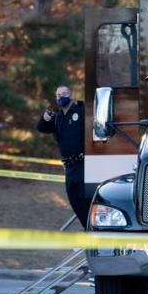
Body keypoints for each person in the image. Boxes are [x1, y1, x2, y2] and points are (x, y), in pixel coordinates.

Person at [36, 85, 87, 225]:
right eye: (58, 95)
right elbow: (41, 128)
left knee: (85, 200)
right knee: (74, 201)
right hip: (69, 167)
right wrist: (44, 118)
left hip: (84, 164)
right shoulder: (57, 118)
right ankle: (87, 230)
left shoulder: (81, 111)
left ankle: (93, 232)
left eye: (64, 94)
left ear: (71, 96)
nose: (61, 97)